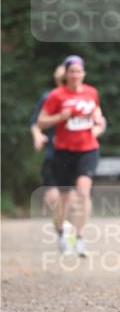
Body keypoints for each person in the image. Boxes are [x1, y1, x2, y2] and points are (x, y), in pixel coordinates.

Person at [38, 55, 106, 257]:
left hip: (88, 149)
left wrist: (98, 124)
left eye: (78, 71)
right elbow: (41, 122)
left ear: (83, 73)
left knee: (84, 191)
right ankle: (61, 232)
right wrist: (61, 116)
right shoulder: (56, 95)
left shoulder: (91, 92)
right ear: (66, 74)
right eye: (72, 71)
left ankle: (80, 238)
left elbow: (98, 117)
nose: (75, 75)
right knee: (65, 197)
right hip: (64, 151)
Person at [30, 62, 66, 219]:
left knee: (70, 194)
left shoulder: (83, 96)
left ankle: (64, 222)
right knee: (53, 195)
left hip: (75, 153)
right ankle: (60, 223)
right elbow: (35, 122)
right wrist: (37, 135)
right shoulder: (48, 97)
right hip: (53, 152)